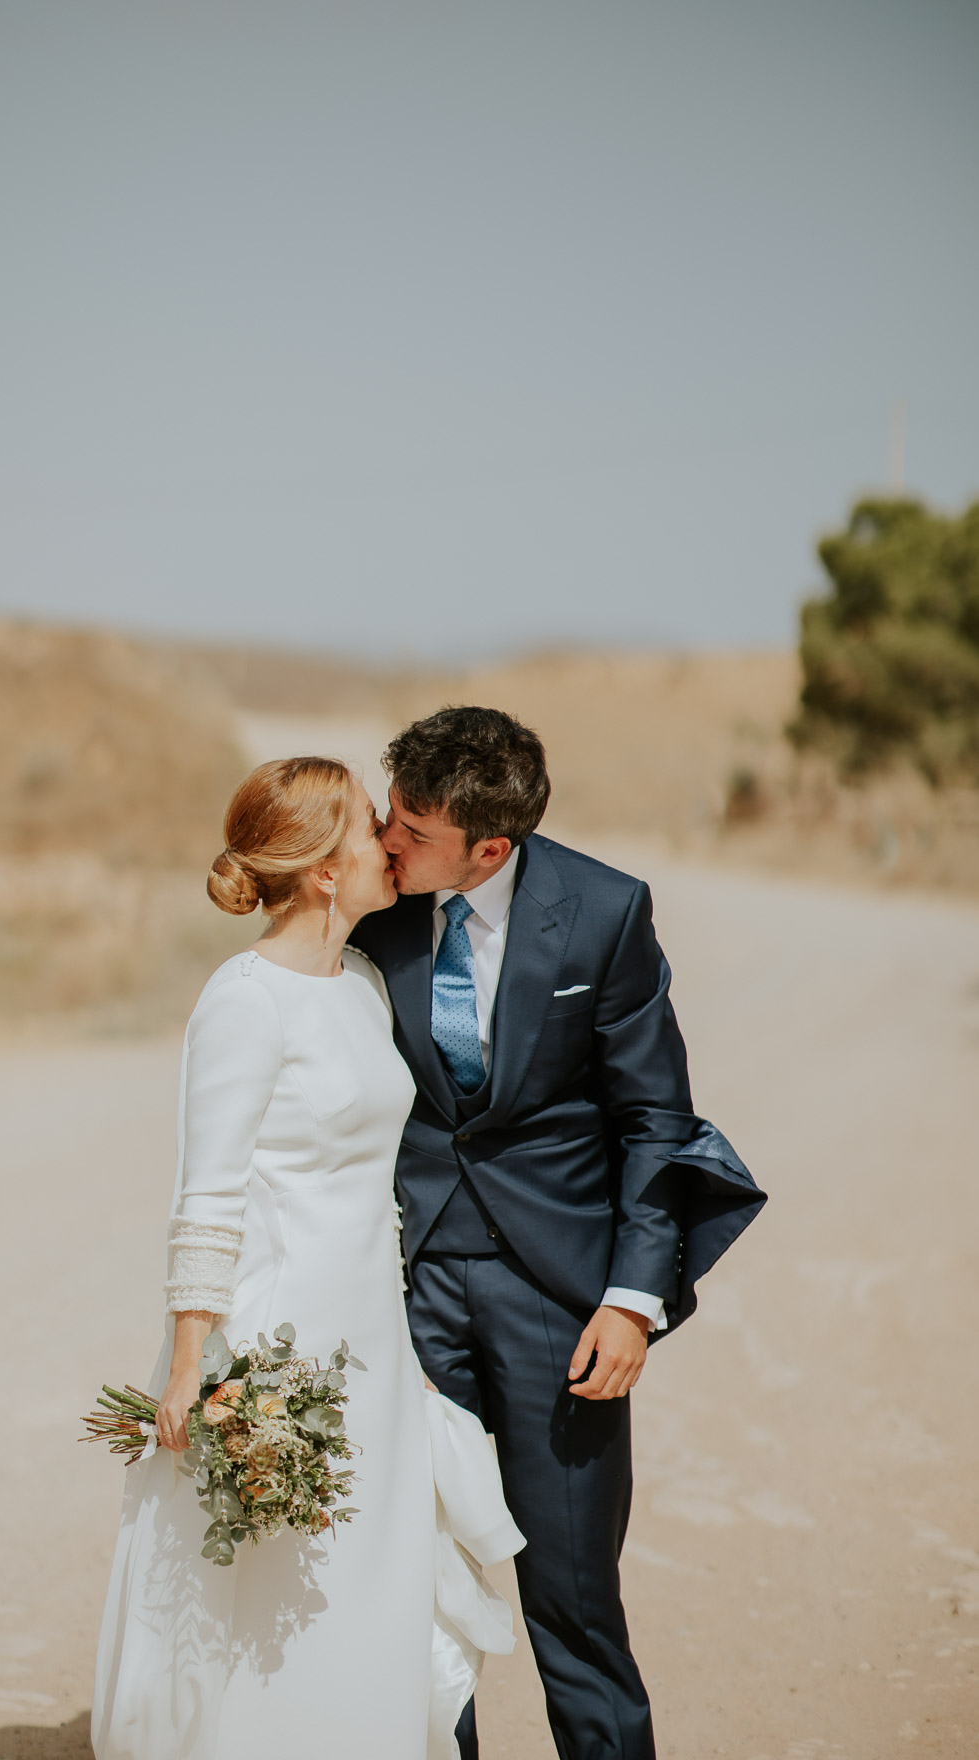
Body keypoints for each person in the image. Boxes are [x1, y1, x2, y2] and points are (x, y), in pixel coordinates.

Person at [349, 706, 767, 1760]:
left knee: (572, 1593)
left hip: (561, 1298)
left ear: (491, 846)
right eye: (389, 811)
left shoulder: (604, 913)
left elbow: (654, 1118)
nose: (384, 839)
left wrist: (633, 1298)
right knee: (408, 1582)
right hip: (407, 1283)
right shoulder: (374, 901)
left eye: (412, 830)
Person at [91, 756, 524, 1760]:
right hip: (275, 1345)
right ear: (326, 870)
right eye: (372, 828)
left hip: (373, 1339)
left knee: (364, 1575)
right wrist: (193, 1363)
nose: (389, 840)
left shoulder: (366, 982)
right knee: (271, 1586)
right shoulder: (244, 1000)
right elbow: (206, 1188)